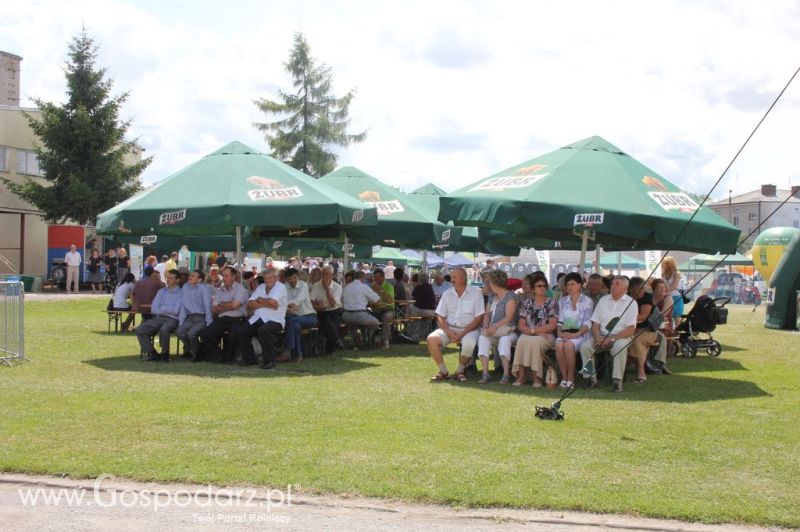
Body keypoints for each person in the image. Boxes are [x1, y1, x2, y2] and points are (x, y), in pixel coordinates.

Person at [579, 276, 638, 393]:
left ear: (625, 289)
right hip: (601, 334)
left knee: (619, 347)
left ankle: (617, 381)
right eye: (612, 284)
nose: (613, 286)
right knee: (585, 347)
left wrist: (611, 339)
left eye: (617, 284)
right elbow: (595, 323)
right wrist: (597, 337)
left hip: (621, 336)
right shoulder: (603, 300)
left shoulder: (632, 303)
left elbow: (631, 329)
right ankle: (590, 379)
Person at [427, 267, 485, 382]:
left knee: (469, 343)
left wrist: (462, 333)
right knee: (431, 339)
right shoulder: (447, 293)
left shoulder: (476, 293)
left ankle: (460, 371)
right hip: (450, 328)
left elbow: (479, 318)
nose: (451, 279)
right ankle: (443, 371)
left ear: (463, 279)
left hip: (469, 329)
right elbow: (440, 316)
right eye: (451, 277)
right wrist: (448, 331)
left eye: (454, 277)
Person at [513, 274, 558, 387]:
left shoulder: (552, 303)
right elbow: (521, 325)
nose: (543, 288)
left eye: (544, 286)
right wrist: (536, 332)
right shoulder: (526, 303)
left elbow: (552, 325)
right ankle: (521, 376)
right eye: (539, 286)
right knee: (522, 340)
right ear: (533, 289)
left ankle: (536, 378)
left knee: (534, 342)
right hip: (534, 334)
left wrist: (532, 330)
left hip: (548, 336)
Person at [237, 269, 287, 369]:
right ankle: (249, 359)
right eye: (265, 278)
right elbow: (250, 304)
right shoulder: (261, 287)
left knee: (263, 330)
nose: (268, 280)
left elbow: (273, 302)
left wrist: (259, 300)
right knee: (242, 331)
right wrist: (268, 303)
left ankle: (269, 361)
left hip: (275, 319)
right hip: (258, 318)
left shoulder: (280, 287)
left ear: (275, 278)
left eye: (270, 278)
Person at [200, 266, 250, 363]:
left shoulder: (240, 289)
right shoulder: (220, 290)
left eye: (226, 276)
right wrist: (229, 305)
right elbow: (214, 308)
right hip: (222, 320)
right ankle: (218, 354)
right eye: (223, 276)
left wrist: (222, 305)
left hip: (237, 319)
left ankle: (228, 357)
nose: (224, 278)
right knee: (205, 333)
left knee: (233, 335)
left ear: (234, 277)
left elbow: (235, 305)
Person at [477, 269, 518, 385]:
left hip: (508, 330)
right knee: (482, 338)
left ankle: (506, 374)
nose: (487, 283)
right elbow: (487, 314)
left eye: (489, 281)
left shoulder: (510, 296)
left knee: (504, 341)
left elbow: (508, 318)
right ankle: (485, 373)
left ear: (496, 282)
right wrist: (486, 325)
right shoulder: (492, 296)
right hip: (493, 330)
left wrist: (494, 327)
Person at [555, 272, 593, 389]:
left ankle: (571, 377)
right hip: (566, 332)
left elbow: (588, 322)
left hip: (581, 333)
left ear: (580, 285)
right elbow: (560, 321)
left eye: (572, 284)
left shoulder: (587, 301)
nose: (569, 287)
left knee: (568, 345)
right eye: (567, 284)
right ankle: (564, 377)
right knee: (559, 344)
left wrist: (577, 334)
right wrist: (560, 332)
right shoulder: (562, 301)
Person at [134, 269, 182, 362]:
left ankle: (165, 354)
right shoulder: (162, 291)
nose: (168, 280)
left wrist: (162, 308)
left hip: (173, 319)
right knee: (140, 330)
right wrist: (166, 309)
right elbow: (154, 309)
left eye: (171, 278)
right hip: (159, 317)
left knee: (164, 329)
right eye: (167, 278)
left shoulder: (181, 293)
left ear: (177, 280)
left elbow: (176, 311)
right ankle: (152, 353)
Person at [280, 268, 318, 362]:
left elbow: (297, 301)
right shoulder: (284, 286)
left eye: (295, 278)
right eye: (290, 279)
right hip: (295, 318)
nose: (292, 280)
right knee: (295, 326)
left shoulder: (303, 285)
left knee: (290, 320)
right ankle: (298, 356)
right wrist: (289, 306)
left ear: (298, 277)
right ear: (286, 279)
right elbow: (282, 302)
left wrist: (288, 305)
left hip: (309, 317)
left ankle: (288, 350)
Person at [177, 270, 213, 361]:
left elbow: (207, 305)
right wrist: (181, 321)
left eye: (193, 276)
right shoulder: (185, 287)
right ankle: (197, 351)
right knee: (180, 332)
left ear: (200, 279)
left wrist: (209, 322)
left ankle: (197, 354)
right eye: (190, 275)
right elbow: (183, 305)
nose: (190, 277)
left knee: (191, 334)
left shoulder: (204, 289)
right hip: (189, 317)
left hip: (202, 317)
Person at [627, 276, 657, 384]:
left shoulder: (647, 298)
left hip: (647, 330)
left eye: (643, 287)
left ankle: (641, 372)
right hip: (629, 328)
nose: (643, 290)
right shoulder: (626, 298)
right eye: (640, 288)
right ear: (632, 290)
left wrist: (624, 318)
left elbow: (643, 316)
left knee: (636, 340)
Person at [341, 271, 381, 347]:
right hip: (360, 315)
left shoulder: (346, 287)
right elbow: (377, 300)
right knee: (376, 322)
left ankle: (356, 339)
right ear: (363, 277)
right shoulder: (364, 287)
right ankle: (366, 340)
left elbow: (341, 301)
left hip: (346, 315)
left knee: (352, 324)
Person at [310, 265, 344, 354]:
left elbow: (333, 304)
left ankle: (331, 347)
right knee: (327, 320)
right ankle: (336, 342)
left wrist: (327, 290)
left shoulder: (337, 287)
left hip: (335, 311)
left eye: (327, 274)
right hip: (321, 311)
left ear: (332, 276)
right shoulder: (316, 285)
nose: (324, 277)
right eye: (323, 274)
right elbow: (311, 301)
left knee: (330, 322)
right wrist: (317, 304)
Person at [371, 269, 395, 349]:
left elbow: (390, 300)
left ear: (383, 277)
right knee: (369, 316)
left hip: (388, 309)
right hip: (376, 309)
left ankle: (385, 341)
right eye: (374, 278)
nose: (375, 279)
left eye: (377, 277)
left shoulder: (389, 286)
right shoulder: (372, 287)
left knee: (386, 317)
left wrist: (380, 290)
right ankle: (370, 340)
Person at [407, 272, 436, 340]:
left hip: (421, 310)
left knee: (410, 307)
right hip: (431, 311)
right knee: (416, 314)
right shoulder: (430, 286)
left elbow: (411, 298)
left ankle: (411, 330)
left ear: (419, 279)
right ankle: (419, 331)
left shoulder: (418, 287)